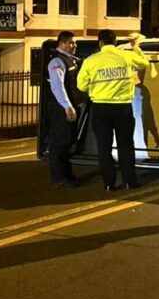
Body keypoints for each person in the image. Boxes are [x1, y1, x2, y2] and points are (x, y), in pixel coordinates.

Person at [77, 29, 151, 192]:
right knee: (126, 145)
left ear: (100, 43)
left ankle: (109, 184)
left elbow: (81, 85)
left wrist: (97, 88)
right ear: (115, 42)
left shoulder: (91, 60)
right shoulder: (125, 55)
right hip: (122, 107)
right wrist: (135, 46)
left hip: (100, 108)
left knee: (104, 147)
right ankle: (129, 182)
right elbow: (144, 63)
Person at [46, 30, 83, 187]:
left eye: (74, 43)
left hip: (68, 107)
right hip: (61, 109)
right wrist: (67, 106)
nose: (74, 46)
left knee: (67, 141)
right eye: (70, 43)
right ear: (61, 44)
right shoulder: (57, 61)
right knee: (59, 143)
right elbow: (57, 86)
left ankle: (67, 175)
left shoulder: (70, 60)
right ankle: (59, 178)